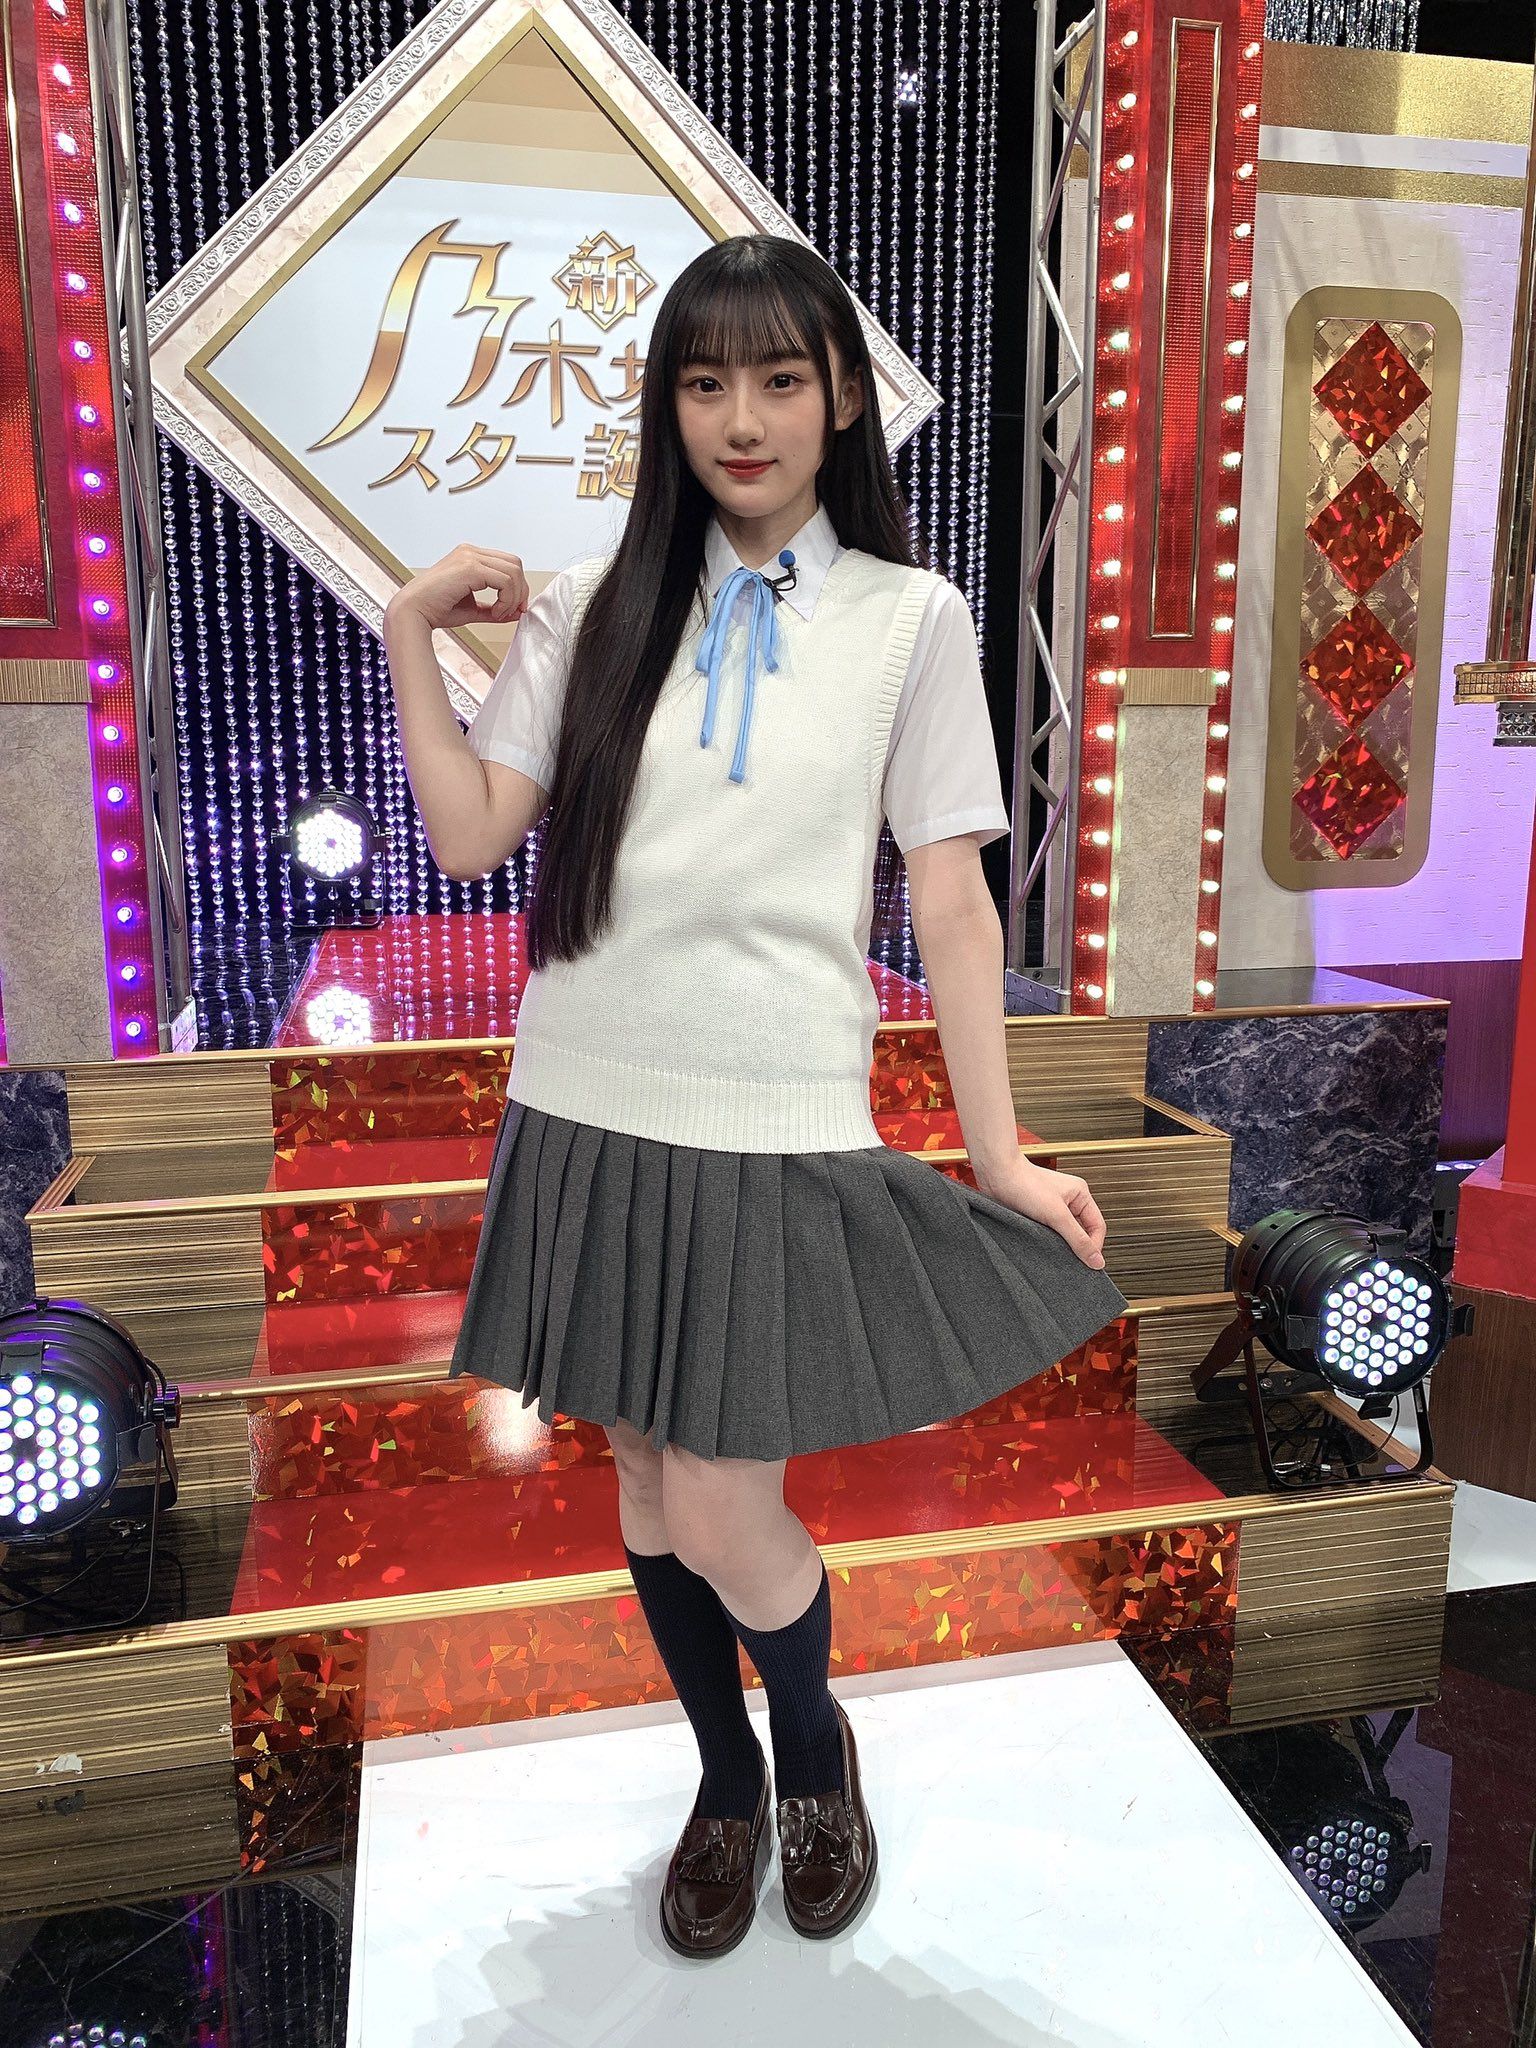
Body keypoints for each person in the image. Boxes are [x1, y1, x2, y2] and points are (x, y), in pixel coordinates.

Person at [382, 233, 1129, 1960]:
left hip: (773, 1117)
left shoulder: (910, 619)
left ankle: (813, 1754)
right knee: (649, 1487)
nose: (743, 418)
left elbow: (954, 900)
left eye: (781, 380)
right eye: (706, 382)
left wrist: (999, 1153)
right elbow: (474, 836)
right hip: (587, 1097)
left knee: (723, 1500)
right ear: (667, 404)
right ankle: (726, 1784)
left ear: (842, 398)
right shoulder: (593, 603)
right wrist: (412, 629)